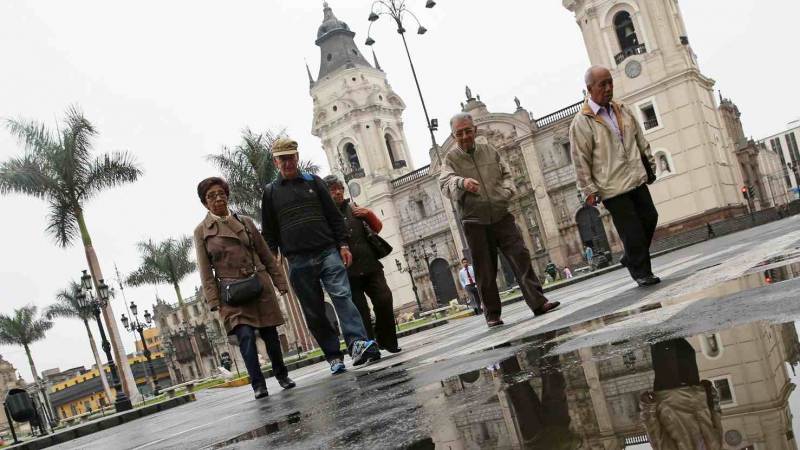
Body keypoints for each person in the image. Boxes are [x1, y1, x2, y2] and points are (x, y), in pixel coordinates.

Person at [261, 138, 380, 374]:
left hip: (327, 252)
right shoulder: (271, 192)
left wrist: (343, 245)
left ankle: (356, 343)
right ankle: (333, 356)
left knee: (342, 296)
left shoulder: (315, 183)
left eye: (291, 157)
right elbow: (269, 230)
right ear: (276, 162)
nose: (287, 163)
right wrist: (272, 256)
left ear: (297, 157)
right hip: (297, 260)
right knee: (314, 310)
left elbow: (334, 217)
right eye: (282, 159)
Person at [440, 112, 560, 328]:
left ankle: (538, 303)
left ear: (475, 130)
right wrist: (461, 183)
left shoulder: (489, 151)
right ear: (453, 135)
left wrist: (507, 191)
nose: (465, 136)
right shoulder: (451, 159)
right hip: (474, 221)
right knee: (485, 270)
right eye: (460, 133)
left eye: (468, 131)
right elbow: (445, 183)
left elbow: (507, 174)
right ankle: (492, 315)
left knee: (521, 256)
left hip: (501, 215)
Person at [194, 177, 295, 399]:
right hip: (232, 293)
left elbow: (265, 255)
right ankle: (258, 384)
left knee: (270, 335)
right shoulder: (201, 232)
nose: (218, 198)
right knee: (246, 337)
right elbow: (205, 270)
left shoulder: (246, 223)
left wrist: (280, 282)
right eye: (211, 196)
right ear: (204, 203)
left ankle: (282, 375)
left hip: (259, 285)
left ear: (227, 196)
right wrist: (214, 302)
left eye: (221, 193)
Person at [570, 65, 660, 287]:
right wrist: (588, 190)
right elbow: (580, 160)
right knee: (632, 230)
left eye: (610, 82)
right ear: (590, 89)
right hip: (612, 187)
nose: (609, 88)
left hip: (636, 178)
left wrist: (649, 165)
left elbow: (640, 139)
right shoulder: (582, 122)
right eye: (603, 84)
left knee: (650, 217)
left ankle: (631, 257)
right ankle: (642, 273)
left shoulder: (622, 109)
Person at [323, 175, 401, 353]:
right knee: (360, 311)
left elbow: (377, 228)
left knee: (384, 298)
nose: (338, 192)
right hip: (347, 272)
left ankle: (387, 340)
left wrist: (369, 214)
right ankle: (369, 347)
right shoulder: (326, 217)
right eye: (333, 189)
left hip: (370, 265)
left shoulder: (354, 208)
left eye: (340, 188)